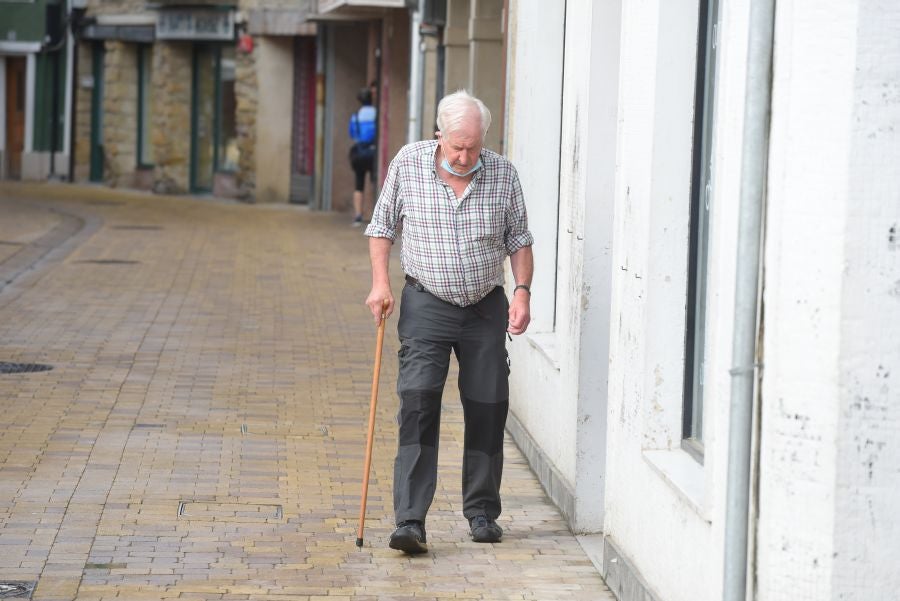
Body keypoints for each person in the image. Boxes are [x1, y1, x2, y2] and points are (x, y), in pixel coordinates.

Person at [364, 90, 534, 554]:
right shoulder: (409, 162)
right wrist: (380, 284)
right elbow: (382, 227)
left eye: (473, 147)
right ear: (439, 135)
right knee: (418, 404)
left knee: (488, 406)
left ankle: (482, 513)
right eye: (457, 146)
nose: (464, 156)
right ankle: (411, 520)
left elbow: (519, 238)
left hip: (484, 307)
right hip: (426, 304)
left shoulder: (502, 173)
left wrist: (521, 292)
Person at [348, 87, 377, 226]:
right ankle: (374, 213)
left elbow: (352, 134)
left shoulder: (355, 116)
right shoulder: (376, 114)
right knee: (373, 182)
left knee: (358, 184)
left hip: (359, 152)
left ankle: (358, 215)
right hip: (372, 152)